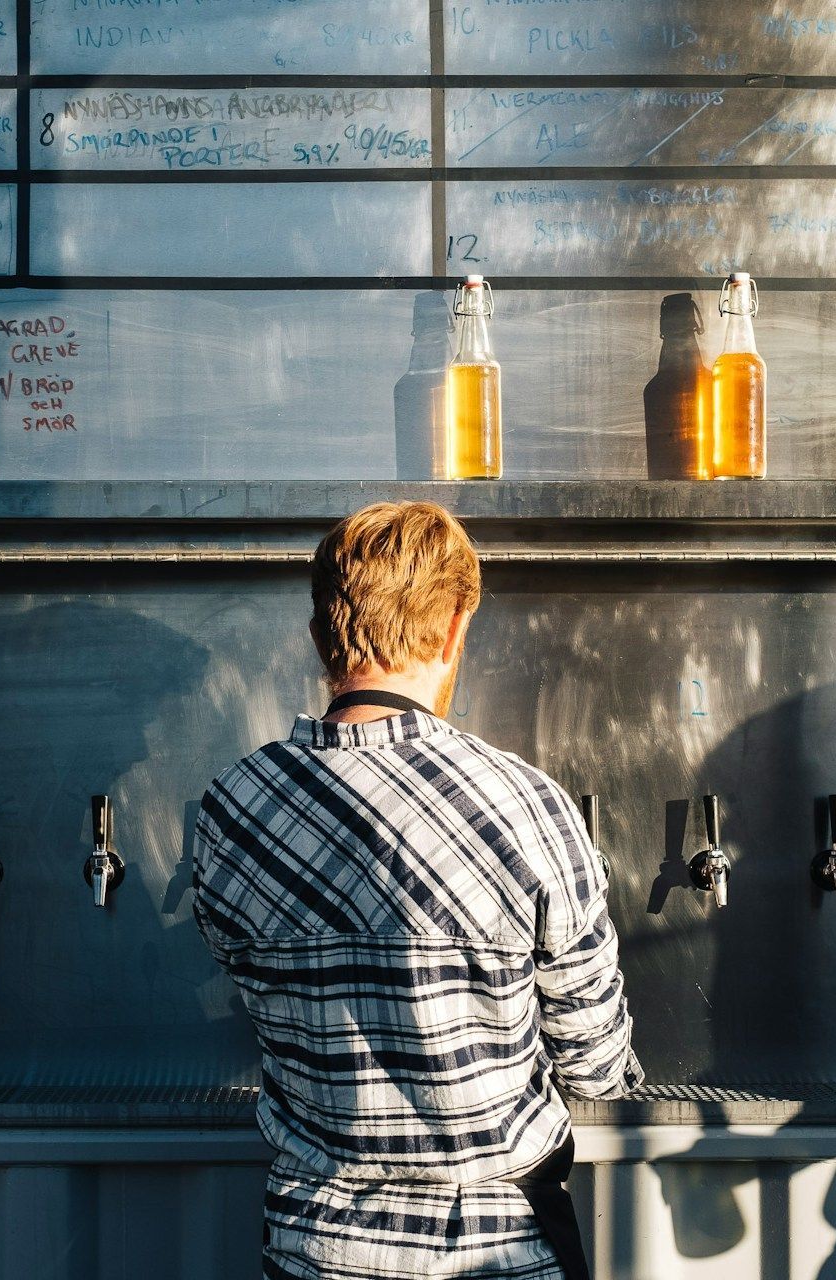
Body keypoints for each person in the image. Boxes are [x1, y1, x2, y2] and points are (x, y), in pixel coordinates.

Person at [191, 501, 642, 1280]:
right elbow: (598, 1068)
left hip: (315, 1247)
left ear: (320, 629)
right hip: (501, 1253)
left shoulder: (235, 809)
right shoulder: (527, 806)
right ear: (456, 625)